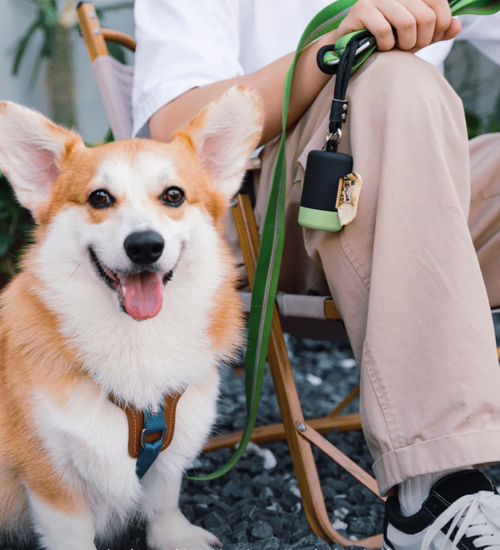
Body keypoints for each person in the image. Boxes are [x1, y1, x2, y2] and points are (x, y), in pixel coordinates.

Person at [132, 1, 500, 548]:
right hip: (278, 214)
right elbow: (175, 126)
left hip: (429, 198)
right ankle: (434, 491)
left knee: (402, 90)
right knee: (391, 78)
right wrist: (331, 54)